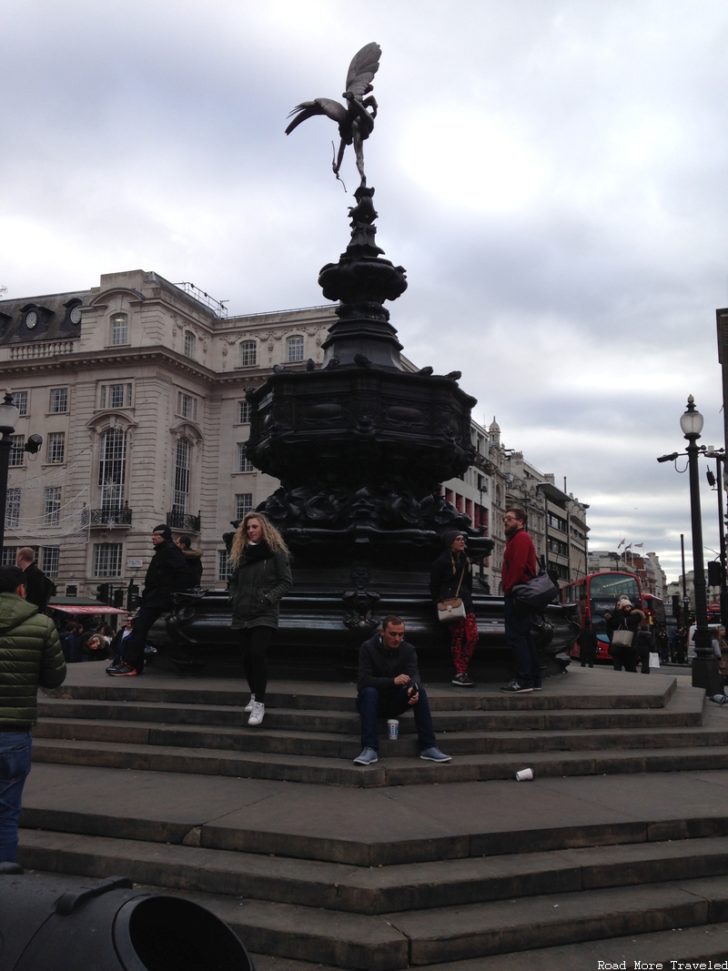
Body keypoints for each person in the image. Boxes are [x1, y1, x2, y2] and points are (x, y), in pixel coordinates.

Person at [0, 565, 66, 864]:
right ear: (22, 590)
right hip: (14, 728)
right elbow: (54, 678)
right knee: (7, 808)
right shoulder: (41, 624)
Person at [354, 616, 451, 766]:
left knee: (420, 693)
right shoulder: (367, 647)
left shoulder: (408, 649)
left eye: (401, 634)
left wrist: (413, 689)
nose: (397, 638)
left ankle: (428, 746)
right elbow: (363, 681)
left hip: (395, 702)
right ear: (382, 632)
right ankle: (369, 749)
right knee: (369, 691)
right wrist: (393, 681)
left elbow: (414, 674)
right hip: (371, 702)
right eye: (393, 634)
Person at [228, 512, 292, 728]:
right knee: (245, 658)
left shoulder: (276, 553)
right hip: (242, 611)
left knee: (257, 654)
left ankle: (260, 703)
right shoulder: (241, 553)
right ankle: (254, 694)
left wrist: (269, 599)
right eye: (248, 528)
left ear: (264, 528)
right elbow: (233, 581)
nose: (251, 530)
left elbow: (285, 581)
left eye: (254, 526)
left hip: (264, 613)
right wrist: (234, 597)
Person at [107, 525, 190, 677]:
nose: (153, 537)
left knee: (139, 628)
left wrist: (169, 593)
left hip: (159, 598)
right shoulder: (163, 551)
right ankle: (129, 664)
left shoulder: (170, 551)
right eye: (152, 535)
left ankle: (131, 665)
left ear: (164, 536)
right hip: (154, 597)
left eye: (156, 535)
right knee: (139, 628)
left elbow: (183, 574)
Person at [430, 531, 478, 687]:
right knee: (457, 638)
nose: (462, 541)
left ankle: (462, 668)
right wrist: (439, 601)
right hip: (451, 604)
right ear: (450, 542)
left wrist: (467, 596)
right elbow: (434, 585)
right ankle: (460, 672)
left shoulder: (466, 560)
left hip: (466, 604)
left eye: (463, 539)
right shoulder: (441, 562)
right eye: (458, 539)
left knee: (472, 637)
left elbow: (468, 584)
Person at [501, 505, 541, 693]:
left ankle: (524, 679)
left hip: (518, 594)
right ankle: (533, 679)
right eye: (505, 518)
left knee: (517, 637)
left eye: (510, 518)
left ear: (521, 522)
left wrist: (508, 588)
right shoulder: (516, 538)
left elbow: (517, 567)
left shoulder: (521, 538)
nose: (506, 520)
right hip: (519, 593)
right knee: (525, 637)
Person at [604, 596, 645, 672]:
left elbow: (624, 621)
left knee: (631, 669)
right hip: (618, 648)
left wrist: (619, 611)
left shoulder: (635, 616)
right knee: (617, 669)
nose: (627, 608)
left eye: (628, 606)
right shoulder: (617, 615)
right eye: (625, 606)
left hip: (629, 648)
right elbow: (612, 627)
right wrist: (609, 619)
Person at [15, 548, 55, 613]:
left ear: (20, 557)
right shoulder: (38, 574)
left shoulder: (32, 575)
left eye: (16, 556)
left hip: (28, 611)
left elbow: (32, 597)